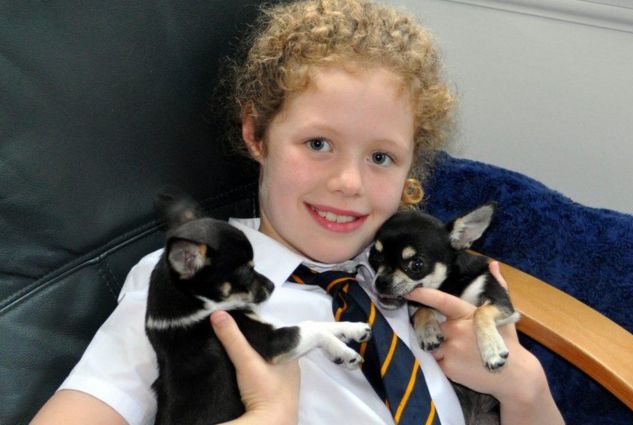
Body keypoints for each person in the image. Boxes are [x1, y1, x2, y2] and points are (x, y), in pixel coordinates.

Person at [31, 0, 564, 424]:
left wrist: (524, 387)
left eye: (381, 157)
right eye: (317, 144)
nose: (349, 182)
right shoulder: (189, 279)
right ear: (256, 134)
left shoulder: (418, 277)